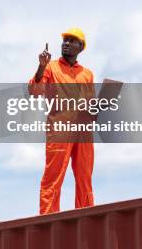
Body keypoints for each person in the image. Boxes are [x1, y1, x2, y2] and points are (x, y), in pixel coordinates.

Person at [28, 27, 95, 215]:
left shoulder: (87, 74)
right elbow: (35, 92)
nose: (66, 43)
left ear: (81, 47)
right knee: (53, 177)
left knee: (84, 177)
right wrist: (41, 66)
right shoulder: (51, 67)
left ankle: (87, 216)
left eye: (72, 40)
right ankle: (48, 220)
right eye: (65, 40)